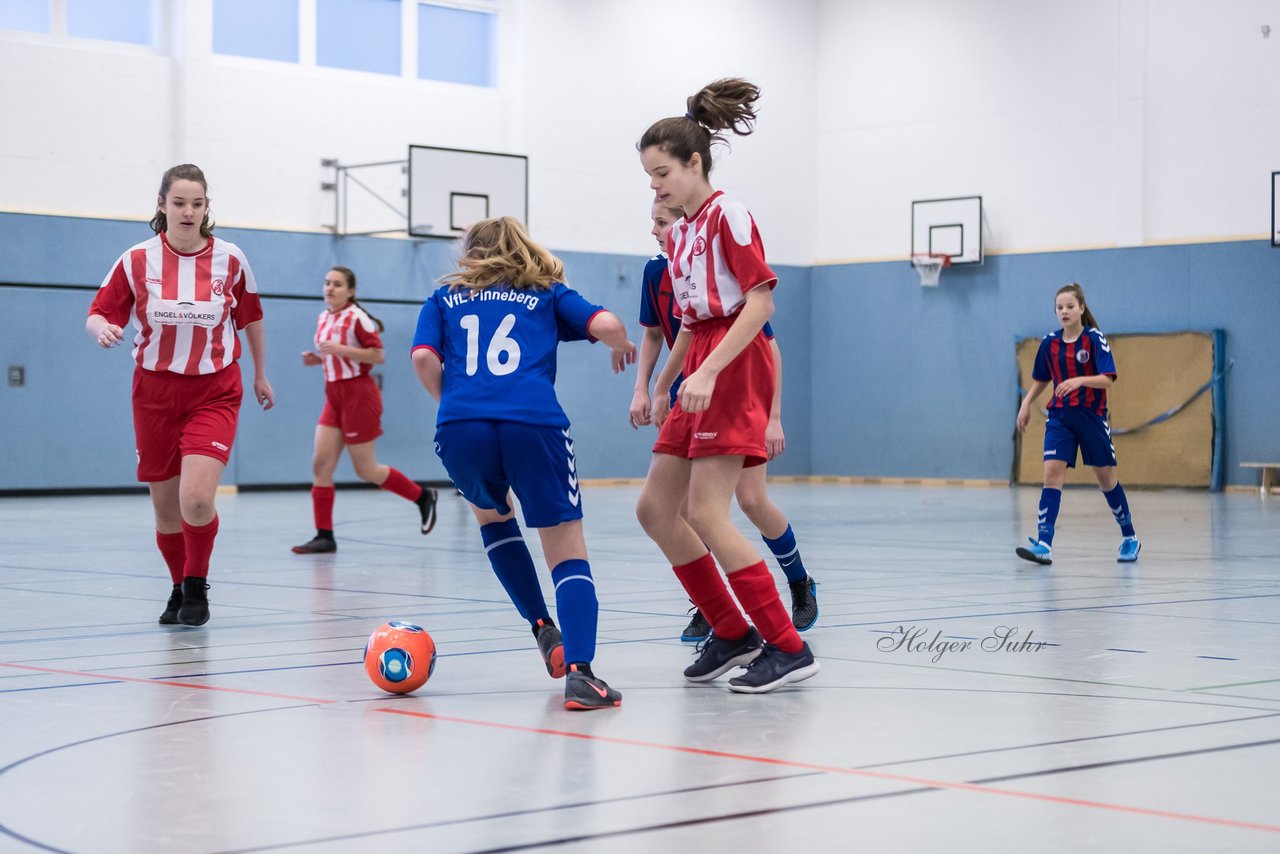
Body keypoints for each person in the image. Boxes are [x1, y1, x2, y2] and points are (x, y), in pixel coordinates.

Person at [634, 78, 820, 694]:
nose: (655, 186)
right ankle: (731, 631)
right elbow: (688, 320)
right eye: (649, 177)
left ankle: (788, 646)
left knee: (711, 511)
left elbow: (760, 304)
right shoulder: (680, 232)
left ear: (695, 162)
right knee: (657, 509)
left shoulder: (728, 215)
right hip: (704, 357)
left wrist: (710, 371)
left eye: (662, 173)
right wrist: (664, 383)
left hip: (736, 360)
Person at [411, 216, 636, 711]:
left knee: (493, 517)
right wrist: (621, 345)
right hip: (532, 424)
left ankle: (540, 625)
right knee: (565, 545)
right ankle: (581, 674)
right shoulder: (546, 291)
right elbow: (608, 325)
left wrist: (454, 405)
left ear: (470, 253)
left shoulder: (443, 298)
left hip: (461, 426)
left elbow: (424, 359)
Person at [86, 163, 274, 626]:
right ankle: (176, 586)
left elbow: (251, 318)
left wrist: (260, 375)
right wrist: (103, 328)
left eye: (197, 203)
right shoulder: (135, 260)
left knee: (196, 498)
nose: (189, 212)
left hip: (215, 390)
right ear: (161, 204)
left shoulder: (231, 259)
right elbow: (97, 312)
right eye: (179, 203)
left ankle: (196, 586)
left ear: (208, 206)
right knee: (166, 509)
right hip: (154, 393)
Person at [630, 200, 818, 642]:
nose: (654, 230)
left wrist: (774, 417)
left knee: (748, 501)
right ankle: (715, 610)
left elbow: (766, 341)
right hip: (692, 389)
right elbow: (663, 333)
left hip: (732, 387)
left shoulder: (716, 245)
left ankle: (798, 583)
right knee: (676, 510)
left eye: (661, 221)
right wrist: (653, 387)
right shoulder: (658, 270)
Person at [291, 266, 438, 554]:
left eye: (337, 284)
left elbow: (377, 355)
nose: (330, 288)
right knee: (321, 465)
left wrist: (340, 350)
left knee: (366, 469)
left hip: (359, 394)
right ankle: (324, 535)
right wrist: (318, 359)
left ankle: (422, 497)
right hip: (333, 394)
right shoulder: (323, 317)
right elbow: (334, 353)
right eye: (327, 283)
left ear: (351, 291)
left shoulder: (357, 318)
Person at [1015, 283, 1140, 564]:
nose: (1064, 311)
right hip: (1060, 418)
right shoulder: (1050, 343)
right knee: (1052, 475)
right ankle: (1044, 543)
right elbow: (1042, 378)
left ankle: (1130, 537)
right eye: (1059, 307)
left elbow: (1108, 378)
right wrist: (1026, 403)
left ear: (1081, 308)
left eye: (1070, 306)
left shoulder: (1094, 339)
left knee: (1106, 480)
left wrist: (1079, 380)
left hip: (1091, 417)